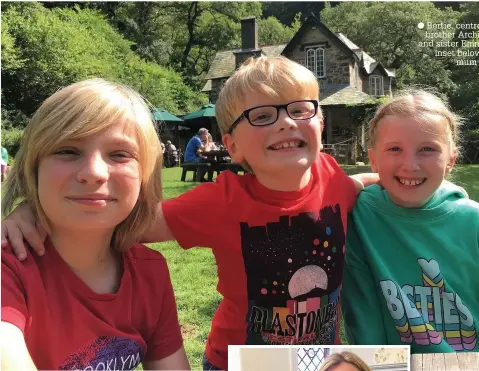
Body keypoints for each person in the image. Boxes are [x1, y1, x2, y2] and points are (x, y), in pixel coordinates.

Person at [1, 57, 379, 370]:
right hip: (240, 362)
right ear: (231, 146)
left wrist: (417, 182)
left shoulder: (336, 178)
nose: (285, 121)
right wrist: (34, 211)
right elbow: (130, 221)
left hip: (315, 359)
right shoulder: (219, 201)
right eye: (262, 115)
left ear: (320, 123)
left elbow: (365, 183)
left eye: (300, 109)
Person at [0, 79, 190, 370]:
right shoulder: (8, 269)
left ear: (145, 176)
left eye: (119, 154)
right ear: (34, 168)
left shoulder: (149, 271)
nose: (93, 172)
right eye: (68, 150)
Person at [341, 90, 479, 370]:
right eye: (394, 149)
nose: (411, 165)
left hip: (475, 365)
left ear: (451, 160)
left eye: (427, 149)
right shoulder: (360, 216)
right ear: (373, 159)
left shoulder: (477, 223)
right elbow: (362, 310)